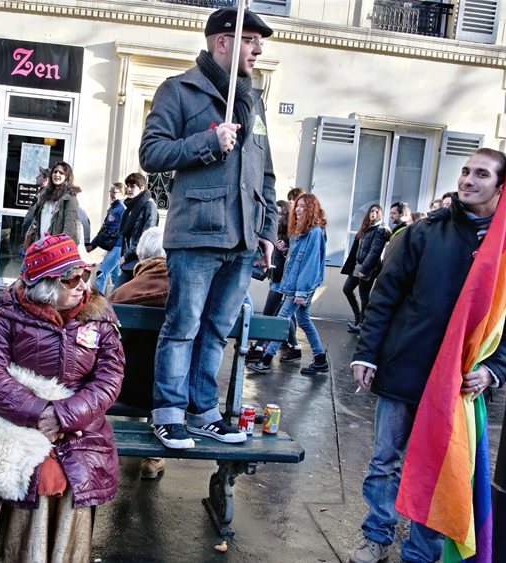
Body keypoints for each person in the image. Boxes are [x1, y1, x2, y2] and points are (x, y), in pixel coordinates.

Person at [348, 148, 506, 563]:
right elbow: (385, 296)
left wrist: (495, 369)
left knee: (442, 469)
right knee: (386, 460)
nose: (468, 180)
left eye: (481, 175)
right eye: (465, 172)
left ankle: (422, 552)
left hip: (461, 380)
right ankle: (376, 535)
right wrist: (366, 353)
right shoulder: (425, 232)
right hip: (406, 368)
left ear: (501, 186)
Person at [139, 6, 278, 449]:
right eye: (250, 40)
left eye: (259, 42)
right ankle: (168, 413)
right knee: (182, 327)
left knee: (217, 329)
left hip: (241, 238)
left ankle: (203, 412)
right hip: (196, 232)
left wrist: (269, 231)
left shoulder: (252, 100)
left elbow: (266, 173)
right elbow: (151, 153)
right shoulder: (178, 90)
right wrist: (207, 141)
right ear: (223, 41)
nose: (258, 49)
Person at [0, 234, 124, 562]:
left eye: (85, 274)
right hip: (22, 421)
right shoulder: (10, 314)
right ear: (44, 287)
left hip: (83, 424)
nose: (82, 284)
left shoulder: (100, 315)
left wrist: (64, 415)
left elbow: (110, 378)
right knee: (36, 473)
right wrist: (38, 411)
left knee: (77, 474)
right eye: (71, 278)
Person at [109, 226, 168, 479]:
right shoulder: (188, 293)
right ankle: (152, 456)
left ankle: (137, 441)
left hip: (129, 390)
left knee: (128, 366)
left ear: (141, 257)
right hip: (173, 394)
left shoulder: (121, 294)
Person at [248, 194, 327, 374]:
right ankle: (320, 359)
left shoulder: (314, 233)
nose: (298, 210)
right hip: (293, 286)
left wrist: (301, 291)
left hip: (298, 288)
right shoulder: (301, 232)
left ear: (312, 210)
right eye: (297, 206)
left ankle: (265, 360)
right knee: (304, 321)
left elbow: (310, 265)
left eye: (303, 206)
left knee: (281, 320)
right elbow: (294, 262)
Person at [246, 199, 301, 362]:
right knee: (286, 315)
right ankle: (295, 347)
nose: (277, 218)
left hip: (283, 282)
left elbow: (293, 260)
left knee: (269, 314)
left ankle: (258, 348)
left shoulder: (289, 235)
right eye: (275, 213)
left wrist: (283, 252)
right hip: (276, 278)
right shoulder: (274, 233)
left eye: (281, 214)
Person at [342, 205, 390, 334]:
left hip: (368, 268)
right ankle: (358, 318)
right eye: (371, 211)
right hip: (359, 266)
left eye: (376, 212)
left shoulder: (379, 229)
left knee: (364, 295)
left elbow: (375, 252)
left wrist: (365, 268)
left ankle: (363, 324)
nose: (373, 214)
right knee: (347, 289)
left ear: (380, 214)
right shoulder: (367, 228)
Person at [114, 173, 158, 290]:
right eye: (127, 186)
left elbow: (146, 237)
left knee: (121, 296)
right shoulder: (130, 206)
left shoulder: (149, 206)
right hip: (128, 262)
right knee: (116, 296)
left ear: (142, 188)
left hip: (140, 261)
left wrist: (127, 255)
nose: (128, 189)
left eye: (132, 186)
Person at [23, 161, 81, 247]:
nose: (57, 175)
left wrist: (60, 248)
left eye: (61, 173)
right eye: (55, 172)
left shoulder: (69, 198)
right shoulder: (44, 196)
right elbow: (37, 220)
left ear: (67, 177)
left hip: (56, 248)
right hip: (40, 245)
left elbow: (69, 229)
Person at [89, 182, 127, 292]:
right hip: (112, 247)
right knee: (116, 278)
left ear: (122, 194)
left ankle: (98, 303)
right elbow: (105, 229)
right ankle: (118, 302)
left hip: (118, 247)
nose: (111, 194)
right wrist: (93, 244)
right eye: (110, 192)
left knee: (101, 273)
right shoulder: (112, 208)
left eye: (114, 192)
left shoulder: (123, 209)